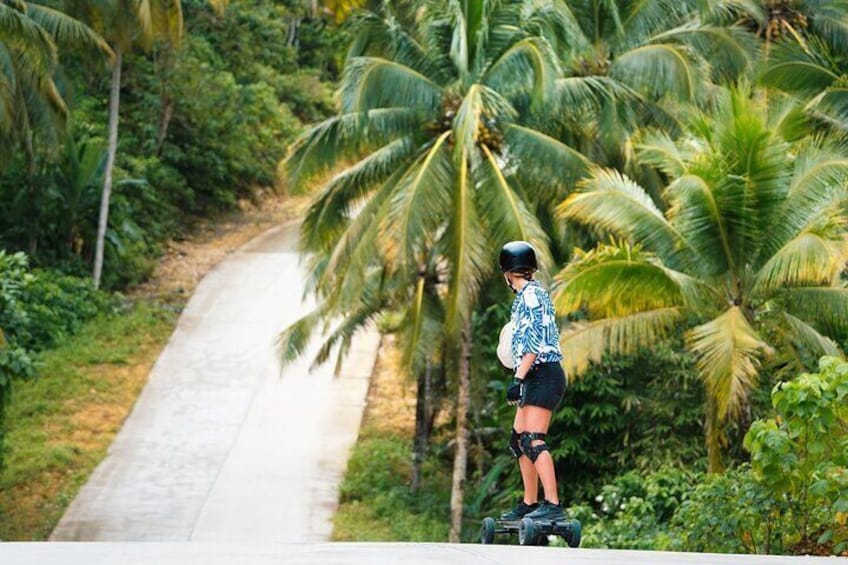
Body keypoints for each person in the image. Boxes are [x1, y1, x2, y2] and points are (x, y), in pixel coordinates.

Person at [497, 240, 567, 522]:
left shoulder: (529, 298)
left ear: (507, 272)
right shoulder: (532, 293)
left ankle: (552, 504)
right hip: (535, 373)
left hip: (543, 373)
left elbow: (533, 344)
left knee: (532, 440)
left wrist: (518, 377)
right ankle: (529, 503)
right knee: (518, 440)